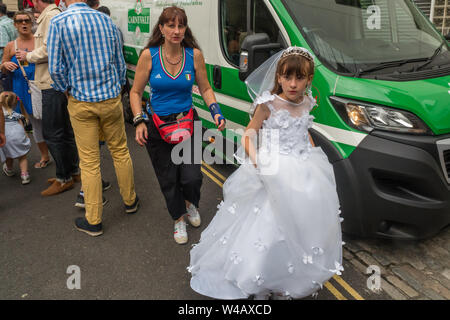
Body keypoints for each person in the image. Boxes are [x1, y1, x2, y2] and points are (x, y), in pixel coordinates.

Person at [188, 47, 343, 300]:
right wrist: (258, 161)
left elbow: (304, 132)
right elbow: (249, 133)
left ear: (309, 79)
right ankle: (259, 276)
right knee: (269, 227)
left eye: (299, 78)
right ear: (278, 77)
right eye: (287, 77)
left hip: (302, 166)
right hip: (272, 165)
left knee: (299, 224)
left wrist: (315, 156)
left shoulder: (307, 102)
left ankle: (288, 275)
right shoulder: (268, 104)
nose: (292, 84)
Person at [130, 6, 226, 245]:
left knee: (192, 178)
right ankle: (178, 218)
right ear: (161, 28)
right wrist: (139, 119)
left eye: (180, 25)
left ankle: (190, 204)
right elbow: (135, 91)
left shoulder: (194, 55)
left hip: (187, 123)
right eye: (171, 25)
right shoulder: (149, 55)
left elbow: (205, 88)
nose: (176, 30)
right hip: (158, 126)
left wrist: (216, 111)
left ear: (185, 28)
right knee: (168, 178)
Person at [47, 0, 138, 237]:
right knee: (120, 151)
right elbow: (119, 64)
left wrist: (66, 90)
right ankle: (130, 202)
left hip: (81, 101)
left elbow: (55, 68)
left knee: (89, 162)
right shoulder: (106, 20)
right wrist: (116, 89)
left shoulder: (59, 21)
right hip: (109, 99)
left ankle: (94, 220)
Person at [15, 0, 80, 197]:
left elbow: (50, 50)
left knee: (53, 133)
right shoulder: (51, 15)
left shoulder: (51, 16)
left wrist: (27, 55)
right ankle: (73, 172)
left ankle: (64, 178)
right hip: (54, 82)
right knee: (64, 131)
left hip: (51, 83)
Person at [1, 11, 52, 169]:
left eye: (27, 21)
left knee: (50, 122)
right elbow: (3, 66)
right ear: (15, 24)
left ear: (32, 23)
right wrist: (5, 65)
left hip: (42, 85)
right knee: (35, 124)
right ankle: (45, 155)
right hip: (23, 88)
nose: (24, 24)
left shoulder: (40, 43)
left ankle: (59, 153)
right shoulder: (11, 46)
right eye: (20, 21)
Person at [0, 91, 31, 184]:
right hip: (18, 138)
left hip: (7, 138)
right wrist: (26, 138)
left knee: (9, 156)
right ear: (14, 104)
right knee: (22, 157)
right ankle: (25, 175)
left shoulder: (1, 116)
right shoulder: (16, 116)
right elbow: (22, 129)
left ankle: (9, 169)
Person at [0, 3, 18, 91]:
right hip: (15, 63)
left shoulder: (1, 25)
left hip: (4, 66)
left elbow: (4, 46)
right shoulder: (12, 22)